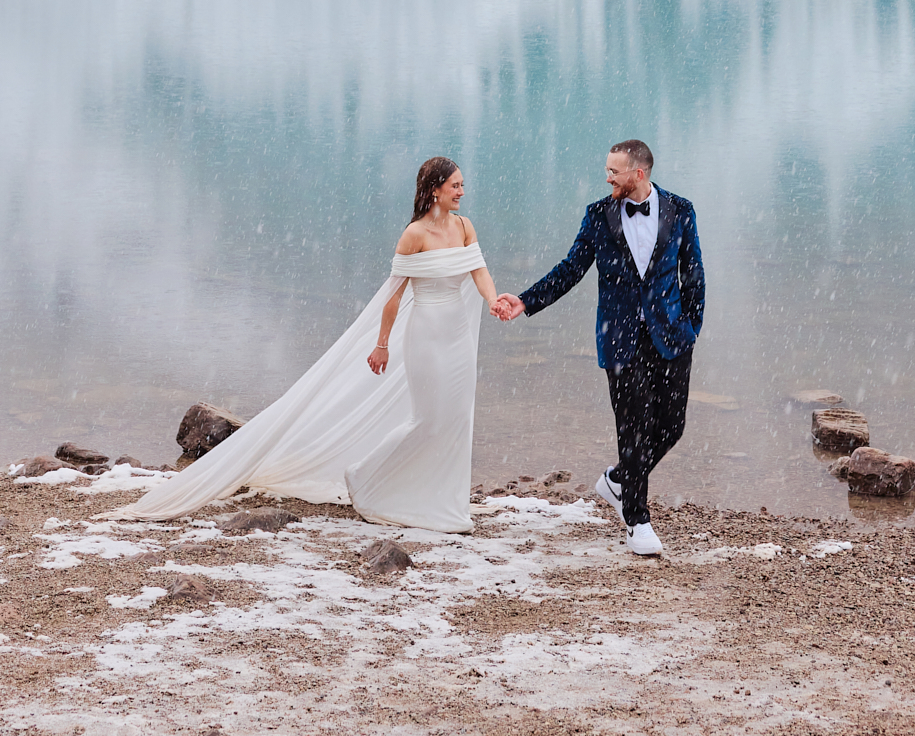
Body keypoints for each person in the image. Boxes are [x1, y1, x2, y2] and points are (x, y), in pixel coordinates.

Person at [121, 155, 502, 533]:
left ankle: (443, 500)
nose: (462, 192)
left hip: (458, 339)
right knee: (428, 420)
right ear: (435, 190)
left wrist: (492, 299)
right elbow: (393, 297)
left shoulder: (464, 227)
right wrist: (382, 344)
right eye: (455, 186)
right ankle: (366, 476)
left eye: (462, 185)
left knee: (456, 418)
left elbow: (478, 269)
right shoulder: (414, 235)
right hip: (426, 338)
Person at [494, 137, 703, 558]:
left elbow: (693, 272)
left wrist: (691, 326)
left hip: (671, 336)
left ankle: (619, 479)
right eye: (607, 171)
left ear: (638, 173)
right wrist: (526, 300)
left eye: (614, 171)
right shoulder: (598, 216)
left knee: (672, 426)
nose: (607, 178)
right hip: (621, 339)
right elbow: (571, 268)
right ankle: (637, 520)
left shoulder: (680, 210)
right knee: (634, 427)